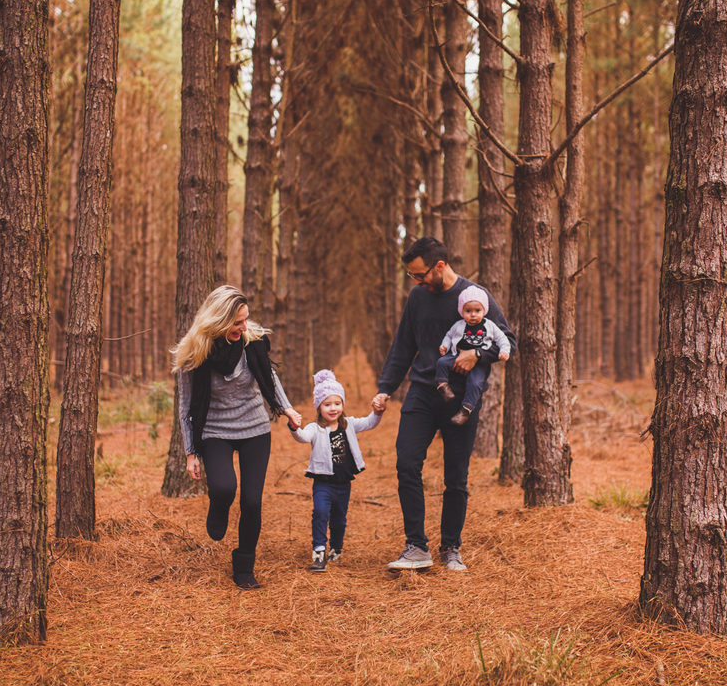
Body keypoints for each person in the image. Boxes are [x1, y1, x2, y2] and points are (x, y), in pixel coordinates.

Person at [372, 238, 516, 572]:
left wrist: (476, 354)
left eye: (419, 275)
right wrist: (385, 388)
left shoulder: (476, 297)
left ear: (439, 266)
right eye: (412, 276)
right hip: (422, 392)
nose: (416, 282)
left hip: (462, 399)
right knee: (407, 464)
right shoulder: (418, 297)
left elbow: (508, 340)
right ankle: (416, 547)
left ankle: (451, 547)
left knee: (456, 476)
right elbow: (403, 345)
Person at [172, 285, 303, 589]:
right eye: (236, 322)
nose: (243, 327)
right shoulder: (194, 353)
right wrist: (191, 452)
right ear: (217, 320)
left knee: (252, 502)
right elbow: (186, 405)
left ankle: (244, 566)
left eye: (245, 320)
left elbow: (269, 377)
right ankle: (218, 504)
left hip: (255, 427)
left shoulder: (252, 341)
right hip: (215, 429)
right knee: (223, 488)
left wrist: (287, 409)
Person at [288, 370, 384, 572]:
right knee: (320, 512)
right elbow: (303, 437)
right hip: (323, 482)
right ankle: (319, 552)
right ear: (319, 407)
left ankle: (336, 548)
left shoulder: (348, 425)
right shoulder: (315, 428)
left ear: (342, 405)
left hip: (343, 482)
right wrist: (295, 427)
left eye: (337, 404)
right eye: (327, 404)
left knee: (339, 519)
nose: (333, 409)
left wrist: (378, 412)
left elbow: (369, 422)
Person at [435, 285, 511, 426]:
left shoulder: (490, 325)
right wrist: (444, 345)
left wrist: (504, 351)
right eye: (468, 311)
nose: (473, 314)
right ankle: (443, 386)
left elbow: (502, 339)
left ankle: (465, 410)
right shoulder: (458, 325)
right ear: (461, 311)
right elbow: (449, 335)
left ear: (484, 310)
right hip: (457, 354)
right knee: (441, 362)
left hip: (479, 361)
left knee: (475, 384)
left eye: (477, 310)